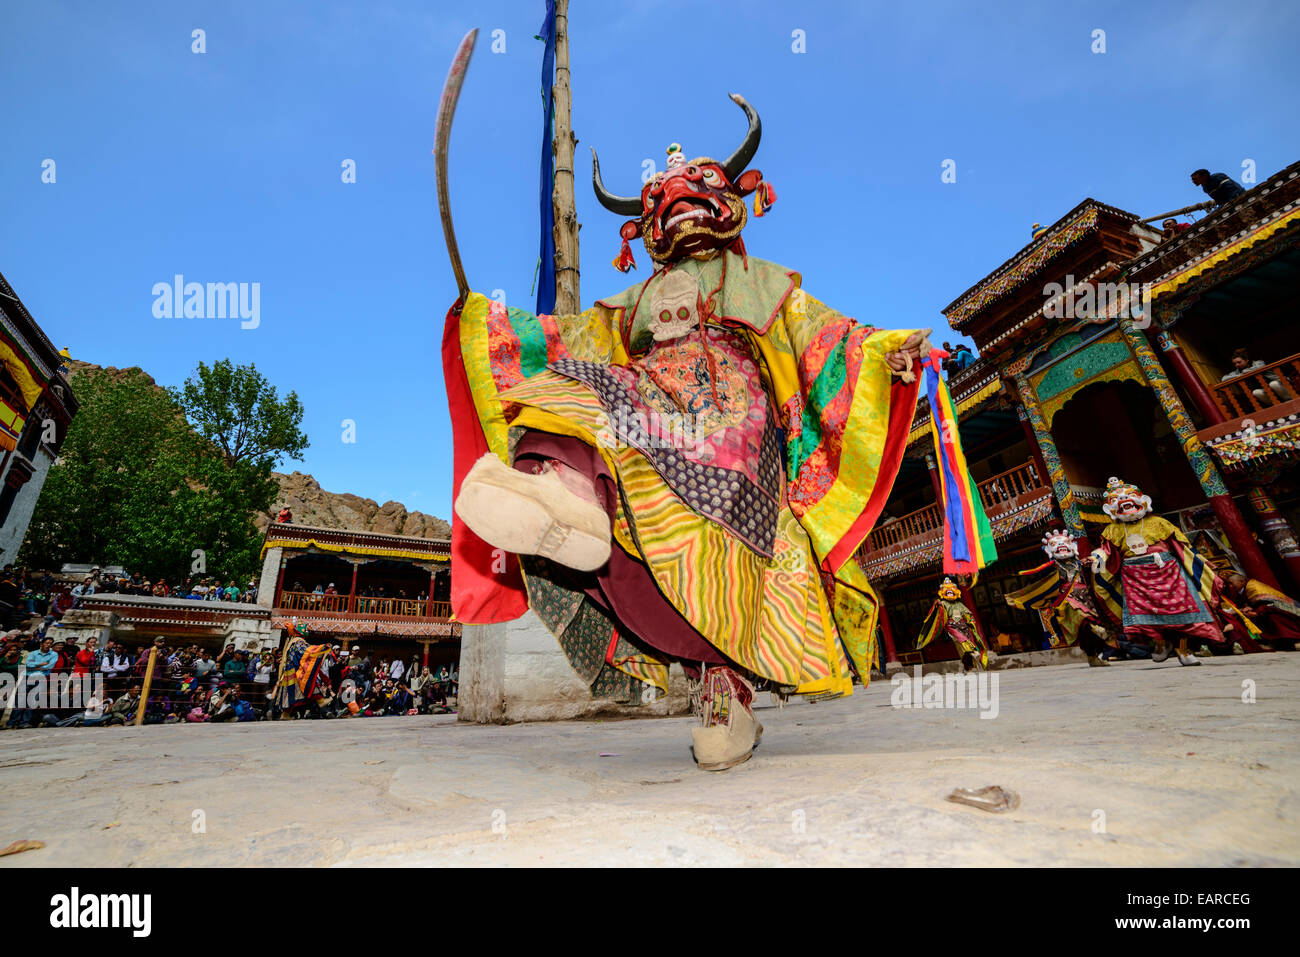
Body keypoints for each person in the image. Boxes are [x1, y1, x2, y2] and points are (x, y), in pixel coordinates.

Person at [447, 97, 944, 771]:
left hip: (733, 422)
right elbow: (567, 343)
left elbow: (829, 337)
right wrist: (492, 323)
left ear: (728, 203)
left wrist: (886, 350)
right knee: (576, 386)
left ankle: (724, 693)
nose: (679, 207)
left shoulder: (761, 282)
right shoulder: (630, 304)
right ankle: (567, 496)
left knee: (722, 550)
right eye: (665, 204)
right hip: (649, 403)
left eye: (694, 195)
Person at [1005, 530, 1115, 667]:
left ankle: (1093, 656)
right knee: (1082, 617)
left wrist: (1093, 561)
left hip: (1086, 597)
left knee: (1086, 632)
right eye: (1055, 544)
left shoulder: (1079, 563)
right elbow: (1042, 580)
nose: (1061, 545)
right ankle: (1096, 630)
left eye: (1065, 543)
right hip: (1067, 599)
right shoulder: (1053, 567)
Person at [916, 577, 992, 671]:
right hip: (952, 626)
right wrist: (937, 605)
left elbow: (967, 614)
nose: (950, 592)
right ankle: (972, 656)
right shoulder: (942, 603)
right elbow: (938, 615)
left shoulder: (959, 604)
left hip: (964, 626)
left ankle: (969, 664)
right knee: (963, 641)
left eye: (951, 591)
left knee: (966, 647)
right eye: (947, 591)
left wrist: (969, 620)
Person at [1225, 573, 1300, 648]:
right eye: (1228, 584)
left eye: (1231, 583)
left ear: (1241, 581)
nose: (1230, 586)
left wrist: (1256, 612)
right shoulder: (1241, 590)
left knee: (1273, 618)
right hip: (1265, 609)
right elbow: (1248, 604)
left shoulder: (1253, 587)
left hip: (1283, 609)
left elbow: (1268, 603)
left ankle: (1293, 640)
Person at [1219, 348, 1291, 406]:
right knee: (1256, 392)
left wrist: (1244, 373)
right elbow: (1224, 379)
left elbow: (1259, 368)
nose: (1237, 365)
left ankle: (1290, 401)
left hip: (1280, 384)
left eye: (1239, 362)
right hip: (1266, 390)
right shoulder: (1237, 371)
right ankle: (1277, 405)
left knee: (1273, 384)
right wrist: (1241, 374)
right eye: (1235, 364)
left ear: (1246, 360)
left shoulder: (1258, 362)